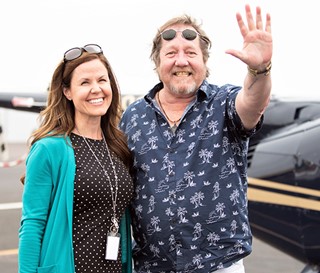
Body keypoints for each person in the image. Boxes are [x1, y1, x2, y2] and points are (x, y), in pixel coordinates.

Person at [120, 4, 272, 273]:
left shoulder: (224, 103)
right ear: (157, 62)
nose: (181, 61)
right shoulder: (133, 117)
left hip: (218, 265)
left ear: (204, 62)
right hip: (152, 266)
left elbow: (252, 103)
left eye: (191, 53)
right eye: (171, 54)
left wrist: (260, 70)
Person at [18, 44, 134, 273]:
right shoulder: (49, 150)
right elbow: (32, 225)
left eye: (102, 80)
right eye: (84, 83)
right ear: (67, 92)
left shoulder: (118, 146)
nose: (96, 89)